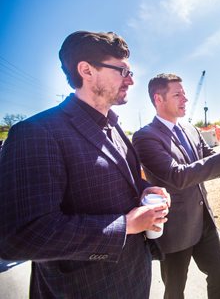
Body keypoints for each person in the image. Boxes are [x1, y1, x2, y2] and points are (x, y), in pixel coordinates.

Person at [0, 31, 171, 298]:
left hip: (135, 280)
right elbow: (19, 236)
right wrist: (125, 226)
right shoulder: (36, 132)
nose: (132, 80)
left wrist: (146, 190)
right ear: (86, 70)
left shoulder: (115, 127)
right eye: (122, 71)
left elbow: (127, 182)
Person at [132, 73, 220, 299]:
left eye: (185, 94)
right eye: (177, 95)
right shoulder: (145, 137)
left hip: (203, 220)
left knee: (219, 272)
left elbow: (210, 158)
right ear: (158, 99)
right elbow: (176, 175)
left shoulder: (191, 129)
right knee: (175, 289)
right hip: (175, 228)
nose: (185, 99)